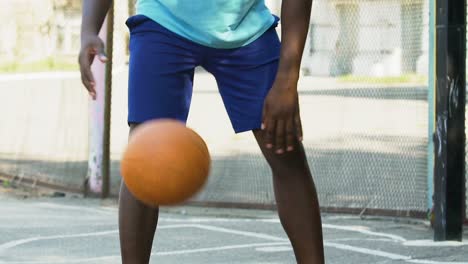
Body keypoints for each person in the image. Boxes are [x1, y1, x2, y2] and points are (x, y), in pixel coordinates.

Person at [78, 0, 324, 263]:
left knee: (284, 147)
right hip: (163, 23)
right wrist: (88, 30)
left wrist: (287, 79)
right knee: (147, 156)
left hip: (245, 29)